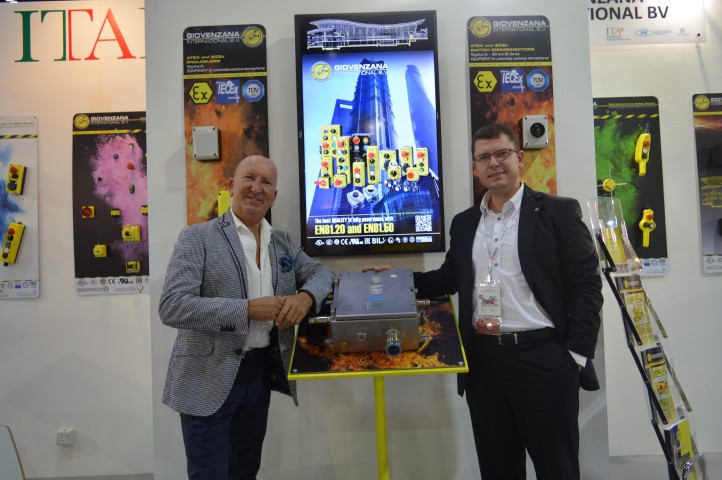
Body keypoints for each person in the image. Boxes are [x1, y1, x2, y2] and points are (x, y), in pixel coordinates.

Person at [368, 124, 602, 480]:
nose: (494, 163)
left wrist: (574, 356)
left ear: (519, 158)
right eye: (484, 157)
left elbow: (587, 285)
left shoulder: (557, 213)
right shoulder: (465, 224)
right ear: (475, 167)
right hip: (484, 363)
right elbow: (448, 278)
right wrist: (399, 281)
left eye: (502, 154)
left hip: (544, 359)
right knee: (497, 470)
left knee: (557, 470)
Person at [159, 155, 335, 480]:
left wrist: (305, 297)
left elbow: (323, 273)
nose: (256, 188)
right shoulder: (197, 237)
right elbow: (173, 305)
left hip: (258, 375)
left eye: (266, 182)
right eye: (249, 178)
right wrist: (247, 310)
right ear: (231, 186)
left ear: (274, 196)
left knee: (245, 472)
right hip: (206, 377)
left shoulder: (281, 243)